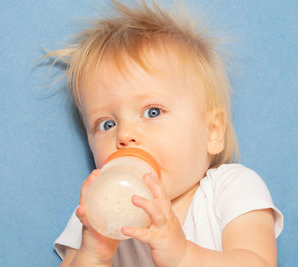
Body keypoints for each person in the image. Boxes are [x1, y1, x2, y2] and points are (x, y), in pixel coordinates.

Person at [44, 1, 284, 266]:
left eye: (153, 112)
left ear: (212, 131)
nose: (125, 135)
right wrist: (93, 254)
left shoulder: (230, 188)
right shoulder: (96, 214)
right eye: (107, 124)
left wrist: (183, 255)